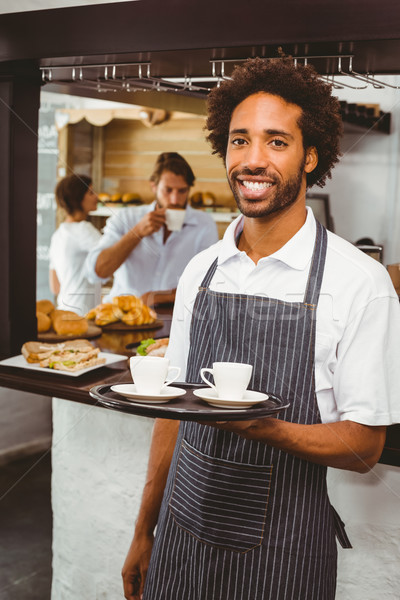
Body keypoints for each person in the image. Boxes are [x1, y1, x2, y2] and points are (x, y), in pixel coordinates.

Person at [121, 58, 400, 600]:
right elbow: (172, 412)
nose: (252, 159)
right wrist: (143, 528)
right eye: (239, 140)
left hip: (286, 554)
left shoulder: (358, 282)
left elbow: (365, 445)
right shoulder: (200, 271)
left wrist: (266, 429)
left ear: (310, 155)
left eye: (276, 142)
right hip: (181, 537)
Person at [86, 152, 218, 306]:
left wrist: (157, 298)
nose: (175, 200)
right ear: (153, 186)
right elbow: (96, 273)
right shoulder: (126, 218)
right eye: (168, 190)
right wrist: (137, 233)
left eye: (182, 191)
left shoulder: (204, 225)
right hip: (121, 317)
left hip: (174, 319)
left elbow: (208, 285)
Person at [49, 174, 101, 316]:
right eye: (91, 192)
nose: (96, 196)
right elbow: (112, 257)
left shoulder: (58, 234)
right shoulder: (84, 229)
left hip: (63, 313)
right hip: (83, 316)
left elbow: (55, 287)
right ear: (78, 198)